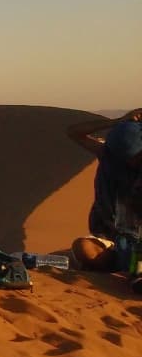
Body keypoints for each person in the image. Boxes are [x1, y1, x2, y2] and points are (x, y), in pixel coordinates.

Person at [66, 109, 142, 276]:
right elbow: (73, 132)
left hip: (138, 240)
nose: (130, 163)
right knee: (83, 247)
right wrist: (117, 121)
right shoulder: (108, 154)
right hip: (109, 239)